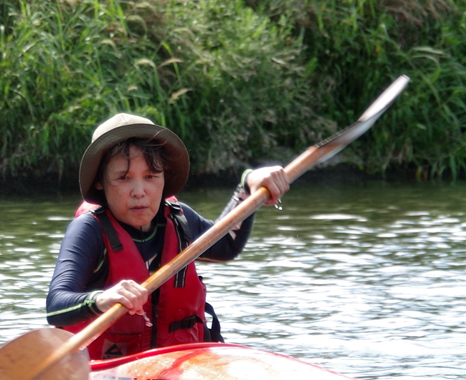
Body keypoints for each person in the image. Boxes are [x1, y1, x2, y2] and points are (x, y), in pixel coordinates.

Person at [46, 112, 290, 360]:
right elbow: (56, 306)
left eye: (151, 176)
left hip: (182, 362)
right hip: (110, 370)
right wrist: (102, 298)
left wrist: (249, 186)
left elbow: (227, 245)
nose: (139, 192)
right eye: (124, 178)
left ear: (165, 176)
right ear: (100, 181)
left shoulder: (179, 218)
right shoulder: (89, 230)